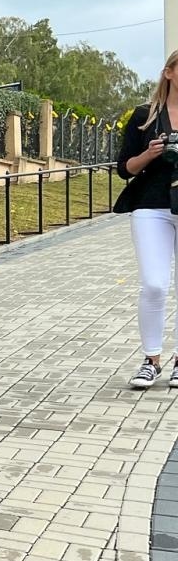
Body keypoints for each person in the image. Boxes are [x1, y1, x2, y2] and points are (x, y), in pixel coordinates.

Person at [113, 49, 178, 389]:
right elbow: (124, 169)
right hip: (151, 206)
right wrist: (149, 154)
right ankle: (151, 359)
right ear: (169, 72)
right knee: (155, 284)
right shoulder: (143, 116)